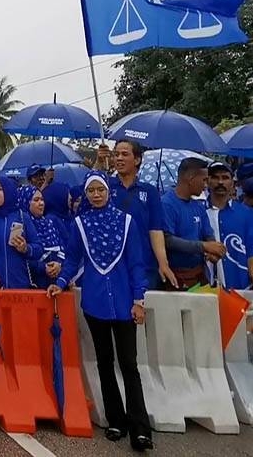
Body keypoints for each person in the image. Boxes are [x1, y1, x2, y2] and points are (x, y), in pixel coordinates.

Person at [47, 171, 153, 452]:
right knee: (105, 363)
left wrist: (139, 300)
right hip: (95, 303)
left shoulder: (126, 222)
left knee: (129, 365)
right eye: (91, 190)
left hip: (124, 302)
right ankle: (115, 420)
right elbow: (72, 259)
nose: (95, 195)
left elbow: (136, 264)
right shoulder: (80, 224)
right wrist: (59, 282)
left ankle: (140, 427)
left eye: (100, 190)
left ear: (108, 192)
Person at [109, 140, 176, 290]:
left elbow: (155, 229)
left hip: (144, 265)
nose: (119, 158)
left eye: (124, 154)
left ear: (137, 160)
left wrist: (163, 263)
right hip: (112, 265)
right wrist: (98, 164)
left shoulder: (150, 192)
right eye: (116, 154)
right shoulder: (105, 188)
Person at [162, 157, 223, 289]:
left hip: (200, 274)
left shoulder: (198, 206)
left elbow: (208, 233)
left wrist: (214, 250)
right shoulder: (166, 204)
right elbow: (168, 240)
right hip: (177, 276)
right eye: (204, 180)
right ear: (190, 178)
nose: (206, 185)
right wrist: (204, 247)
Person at [205, 162, 253, 289]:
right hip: (206, 290)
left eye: (225, 178)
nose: (220, 182)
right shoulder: (199, 212)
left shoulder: (246, 214)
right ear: (207, 181)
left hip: (242, 289)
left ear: (233, 183)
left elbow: (251, 250)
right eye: (215, 177)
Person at [17, 185, 66, 288]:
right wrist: (43, 267)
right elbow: (19, 258)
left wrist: (59, 265)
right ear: (25, 202)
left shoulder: (49, 223)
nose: (41, 203)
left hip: (56, 283)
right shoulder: (20, 226)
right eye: (36, 200)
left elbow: (63, 247)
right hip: (34, 285)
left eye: (42, 199)